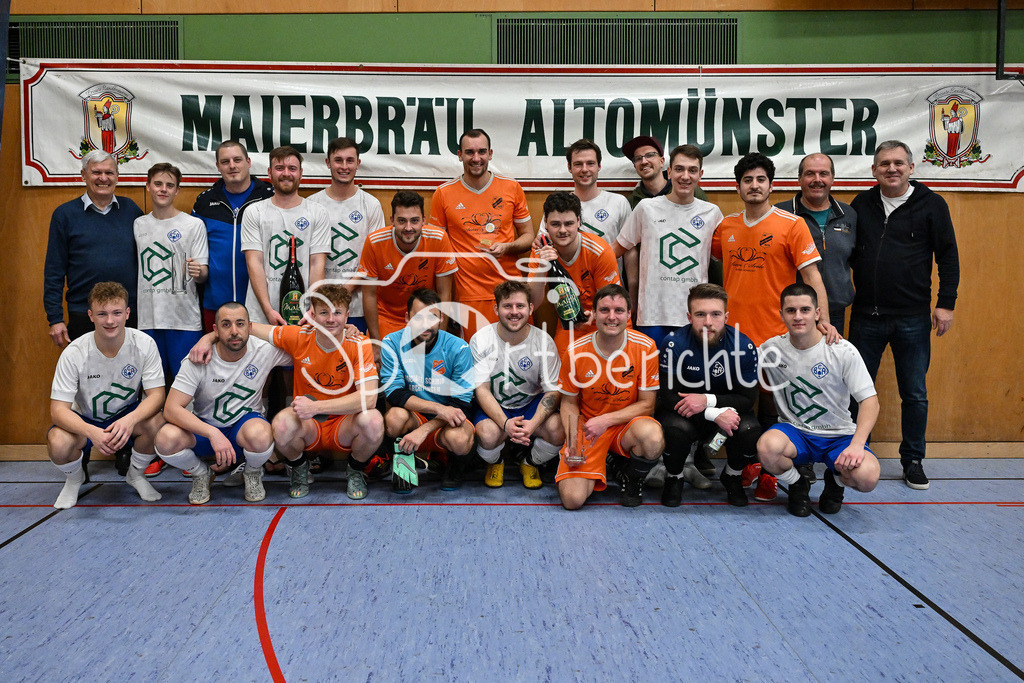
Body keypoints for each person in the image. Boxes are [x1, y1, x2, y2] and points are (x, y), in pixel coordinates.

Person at [190, 284, 384, 499]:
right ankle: (299, 469)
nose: (331, 319)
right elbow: (244, 328)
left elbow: (369, 398)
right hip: (309, 425)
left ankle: (355, 471)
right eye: (324, 312)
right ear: (312, 315)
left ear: (347, 315)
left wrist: (316, 406)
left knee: (373, 420)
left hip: (344, 424)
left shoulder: (360, 343)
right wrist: (207, 338)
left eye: (337, 312)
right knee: (281, 423)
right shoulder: (299, 336)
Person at [848, 140, 960, 491]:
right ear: (874, 170)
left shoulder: (932, 205)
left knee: (914, 393)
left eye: (898, 163)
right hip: (866, 316)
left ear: (911, 167)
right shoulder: (861, 204)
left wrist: (946, 303)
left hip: (912, 318)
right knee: (853, 390)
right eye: (884, 164)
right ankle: (854, 451)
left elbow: (949, 256)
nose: (891, 169)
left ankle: (913, 459)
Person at [757, 283, 881, 516]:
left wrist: (856, 445)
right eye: (791, 310)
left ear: (817, 313)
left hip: (838, 435)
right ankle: (797, 484)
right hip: (796, 433)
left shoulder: (841, 350)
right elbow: (739, 360)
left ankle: (836, 482)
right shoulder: (771, 349)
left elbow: (870, 401)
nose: (798, 316)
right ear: (781, 314)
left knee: (867, 477)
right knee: (767, 448)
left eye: (805, 310)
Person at [154, 301, 292, 504]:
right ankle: (201, 473)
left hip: (243, 430)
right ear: (216, 330)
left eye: (240, 324)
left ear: (250, 327)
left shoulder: (263, 350)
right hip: (207, 431)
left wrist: (348, 332)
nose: (234, 331)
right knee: (165, 439)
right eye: (226, 325)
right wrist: (213, 433)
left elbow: (307, 346)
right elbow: (171, 409)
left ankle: (252, 472)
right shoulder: (199, 358)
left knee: (261, 434)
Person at [46, 282, 165, 509]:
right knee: (58, 442)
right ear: (91, 315)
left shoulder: (144, 344)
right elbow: (58, 411)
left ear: (127, 313)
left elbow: (157, 395)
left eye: (116, 313)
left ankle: (136, 475)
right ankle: (74, 479)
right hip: (86, 420)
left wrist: (129, 421)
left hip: (124, 416)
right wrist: (92, 432)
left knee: (158, 423)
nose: (110, 321)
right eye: (102, 314)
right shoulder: (74, 353)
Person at [556, 284, 664, 510]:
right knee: (572, 500)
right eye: (604, 310)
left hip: (624, 426)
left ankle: (632, 478)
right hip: (587, 427)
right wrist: (573, 440)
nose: (612, 317)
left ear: (629, 314)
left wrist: (606, 420)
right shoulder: (575, 351)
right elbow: (568, 402)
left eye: (619, 311)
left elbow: (647, 404)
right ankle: (607, 462)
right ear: (594, 314)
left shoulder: (646, 347)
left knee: (652, 437)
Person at [656, 284, 761, 507]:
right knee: (675, 429)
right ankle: (674, 477)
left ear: (726, 316)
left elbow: (748, 399)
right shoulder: (674, 343)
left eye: (715, 314)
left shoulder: (744, 346)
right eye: (700, 314)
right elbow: (667, 396)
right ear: (689, 316)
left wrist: (707, 401)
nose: (708, 322)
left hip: (726, 415)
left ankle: (732, 475)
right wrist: (713, 414)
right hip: (686, 415)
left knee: (749, 429)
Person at [614, 144, 723, 348]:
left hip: (695, 317)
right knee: (651, 378)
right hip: (652, 317)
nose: (685, 176)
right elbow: (615, 250)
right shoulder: (646, 208)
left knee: (690, 378)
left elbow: (727, 257)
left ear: (700, 174)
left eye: (692, 170)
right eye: (679, 169)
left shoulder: (713, 213)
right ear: (669, 171)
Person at [429, 129, 535, 339]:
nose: (476, 158)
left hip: (510, 290)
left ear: (490, 153)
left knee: (517, 358)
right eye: (469, 152)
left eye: (482, 152)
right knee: (477, 362)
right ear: (460, 155)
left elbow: (528, 236)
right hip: (469, 294)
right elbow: (436, 249)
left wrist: (507, 247)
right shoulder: (443, 193)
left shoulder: (511, 187)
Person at [379, 289, 476, 492]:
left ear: (441, 318)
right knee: (394, 418)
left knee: (458, 439)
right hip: (416, 415)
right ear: (407, 318)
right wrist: (437, 408)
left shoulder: (459, 348)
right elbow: (394, 393)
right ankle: (404, 468)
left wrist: (424, 430)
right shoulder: (392, 343)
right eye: (418, 317)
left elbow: (461, 405)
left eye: (432, 317)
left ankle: (454, 466)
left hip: (450, 419)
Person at [470, 281, 564, 489]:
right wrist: (505, 424)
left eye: (520, 306)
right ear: (496, 309)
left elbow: (552, 392)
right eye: (507, 306)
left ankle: (530, 463)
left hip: (530, 404)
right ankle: (496, 462)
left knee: (558, 429)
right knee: (486, 434)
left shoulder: (543, 341)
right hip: (496, 404)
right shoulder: (481, 340)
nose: (514, 312)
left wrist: (532, 424)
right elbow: (482, 390)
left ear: (531, 308)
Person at [44, 150, 143, 346]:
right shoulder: (64, 215)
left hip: (127, 312)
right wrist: (55, 318)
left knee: (129, 374)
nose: (103, 178)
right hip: (83, 313)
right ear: (83, 175)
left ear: (117, 176)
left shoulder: (131, 210)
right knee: (87, 375)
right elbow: (53, 271)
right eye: (96, 172)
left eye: (109, 173)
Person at [133, 162, 209, 380]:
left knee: (185, 388)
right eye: (157, 184)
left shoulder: (193, 225)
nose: (163, 189)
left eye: (169, 185)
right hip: (148, 320)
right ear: (148, 186)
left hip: (184, 321)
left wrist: (199, 272)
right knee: (151, 388)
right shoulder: (138, 224)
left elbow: (203, 273)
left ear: (177, 190)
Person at [241, 145, 330, 325]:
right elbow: (254, 263)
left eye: (292, 169)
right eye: (279, 168)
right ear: (270, 173)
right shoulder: (254, 211)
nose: (286, 173)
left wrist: (314, 305)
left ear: (301, 173)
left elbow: (317, 264)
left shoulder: (318, 212)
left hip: (304, 314)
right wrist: (268, 310)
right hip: (261, 314)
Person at [192, 140, 275, 332]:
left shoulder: (269, 195)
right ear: (218, 166)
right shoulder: (205, 201)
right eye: (225, 161)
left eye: (237, 160)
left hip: (262, 304)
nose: (232, 166)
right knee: (218, 360)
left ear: (248, 161)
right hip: (216, 304)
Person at [307, 136, 386, 332]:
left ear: (358, 163)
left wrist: (343, 293)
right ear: (328, 163)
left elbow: (375, 260)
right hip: (319, 307)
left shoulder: (371, 205)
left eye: (350, 160)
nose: (344, 166)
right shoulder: (311, 204)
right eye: (338, 160)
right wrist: (323, 298)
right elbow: (308, 259)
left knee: (353, 360)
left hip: (358, 307)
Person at [774, 153, 857, 335]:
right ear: (799, 179)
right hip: (792, 311)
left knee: (828, 363)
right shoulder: (780, 213)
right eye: (810, 174)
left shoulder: (849, 214)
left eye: (823, 174)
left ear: (832, 178)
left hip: (835, 311)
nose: (817, 180)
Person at [528, 191, 623, 351]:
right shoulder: (541, 251)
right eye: (555, 224)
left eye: (569, 223)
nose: (562, 230)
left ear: (579, 221)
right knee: (564, 367)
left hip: (607, 319)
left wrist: (594, 315)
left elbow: (612, 301)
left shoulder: (599, 250)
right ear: (545, 222)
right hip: (570, 324)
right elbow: (533, 303)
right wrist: (541, 269)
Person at [359, 191, 457, 341]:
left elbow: (444, 294)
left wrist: (440, 340)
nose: (408, 227)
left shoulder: (439, 239)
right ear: (392, 220)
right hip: (387, 317)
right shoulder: (374, 242)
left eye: (415, 220)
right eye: (402, 221)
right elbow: (369, 295)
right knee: (384, 361)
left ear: (424, 220)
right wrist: (375, 342)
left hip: (426, 317)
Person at [621, 135, 708, 209]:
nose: (644, 161)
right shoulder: (632, 202)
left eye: (650, 155)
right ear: (635, 166)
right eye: (638, 158)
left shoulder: (691, 191)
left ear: (662, 161)